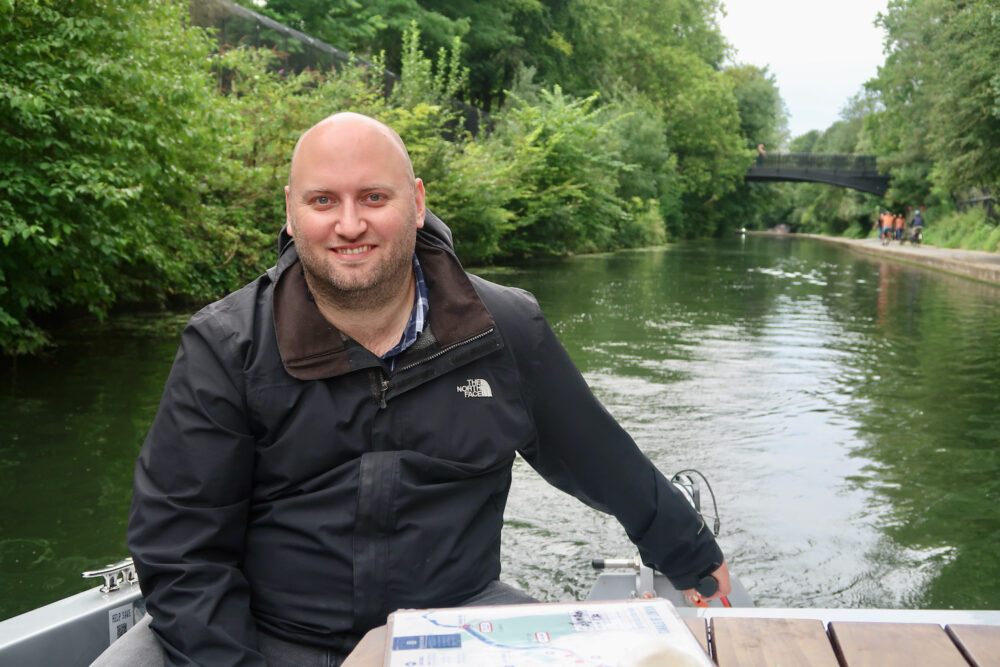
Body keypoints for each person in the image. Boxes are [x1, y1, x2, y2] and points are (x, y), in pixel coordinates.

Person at [95, 112, 730, 666]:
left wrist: (689, 551)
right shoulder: (227, 346)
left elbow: (597, 457)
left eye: (374, 197)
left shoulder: (505, 328)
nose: (349, 225)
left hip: (454, 622)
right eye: (323, 202)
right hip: (266, 631)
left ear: (417, 202)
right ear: (290, 212)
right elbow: (182, 551)